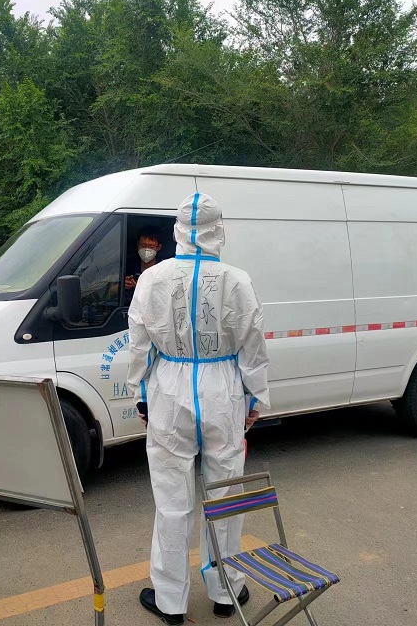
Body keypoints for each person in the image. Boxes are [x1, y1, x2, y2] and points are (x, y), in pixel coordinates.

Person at [126, 193, 270, 625]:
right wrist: (255, 398)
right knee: (224, 495)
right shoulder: (237, 280)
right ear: (218, 230)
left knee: (172, 501)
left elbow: (139, 343)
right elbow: (253, 345)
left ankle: (170, 600)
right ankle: (227, 590)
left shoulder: (153, 278)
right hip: (222, 388)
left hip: (170, 389)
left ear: (177, 231)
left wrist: (141, 394)